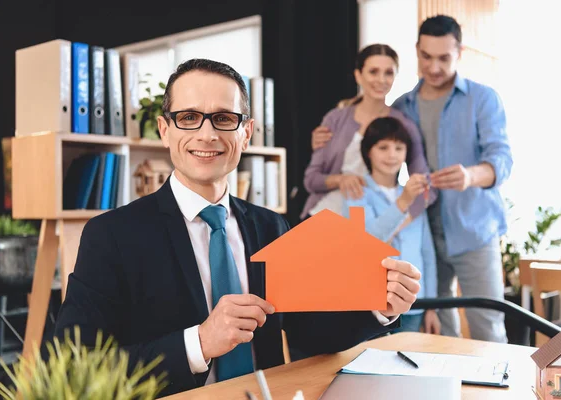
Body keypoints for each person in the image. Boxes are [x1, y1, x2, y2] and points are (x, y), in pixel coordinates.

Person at [53, 58, 422, 397]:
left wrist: (379, 307)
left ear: (246, 133)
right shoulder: (112, 236)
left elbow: (311, 332)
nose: (207, 134)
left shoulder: (271, 226)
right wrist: (198, 343)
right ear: (165, 130)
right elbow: (75, 368)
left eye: (224, 119)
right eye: (188, 117)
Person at [391, 15, 512, 343]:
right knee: (438, 332)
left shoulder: (482, 98)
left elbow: (502, 160)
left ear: (460, 52)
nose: (433, 67)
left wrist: (469, 176)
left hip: (475, 231)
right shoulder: (402, 106)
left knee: (488, 327)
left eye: (444, 58)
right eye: (426, 57)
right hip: (425, 235)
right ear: (417, 51)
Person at [301, 44, 437, 221]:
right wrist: (341, 180)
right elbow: (311, 180)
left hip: (373, 223)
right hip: (324, 216)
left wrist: (400, 225)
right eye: (373, 72)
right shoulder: (335, 119)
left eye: (388, 73)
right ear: (358, 76)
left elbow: (426, 188)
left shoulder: (404, 125)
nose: (381, 80)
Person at [343, 117, 440, 334]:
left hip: (415, 305)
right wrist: (403, 201)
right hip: (375, 306)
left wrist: (432, 307)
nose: (392, 155)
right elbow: (367, 243)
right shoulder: (356, 193)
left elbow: (427, 255)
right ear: (369, 151)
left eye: (399, 147)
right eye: (383, 147)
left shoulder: (415, 195)